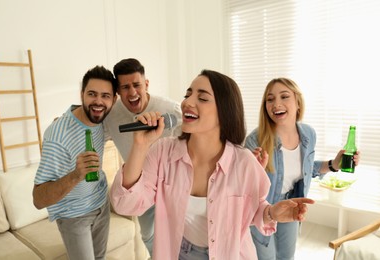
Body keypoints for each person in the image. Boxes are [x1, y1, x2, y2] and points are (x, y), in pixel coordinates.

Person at [110, 70, 315, 260]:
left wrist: (272, 213)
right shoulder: (163, 152)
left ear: (224, 110)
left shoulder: (244, 162)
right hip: (179, 252)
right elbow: (126, 204)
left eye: (202, 98)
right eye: (188, 94)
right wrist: (140, 145)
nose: (187, 102)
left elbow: (252, 211)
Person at [244, 77, 361, 260]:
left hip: (292, 203)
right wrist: (253, 169)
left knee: (286, 256)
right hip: (262, 209)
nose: (276, 104)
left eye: (284, 97)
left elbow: (306, 169)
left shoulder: (308, 134)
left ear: (297, 102)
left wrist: (334, 164)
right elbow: (243, 187)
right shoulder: (255, 140)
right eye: (270, 99)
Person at [32, 65, 117, 260]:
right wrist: (76, 175)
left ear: (114, 100)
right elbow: (38, 199)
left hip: (101, 204)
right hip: (74, 214)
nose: (98, 101)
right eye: (92, 94)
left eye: (105, 96)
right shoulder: (56, 135)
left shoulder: (104, 119)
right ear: (82, 94)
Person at [103, 58, 182, 256]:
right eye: (125, 87)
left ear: (146, 84)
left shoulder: (170, 110)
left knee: (178, 241)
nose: (132, 92)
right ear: (118, 92)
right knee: (148, 238)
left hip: (171, 188)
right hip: (139, 189)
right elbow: (89, 128)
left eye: (137, 85)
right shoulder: (111, 117)